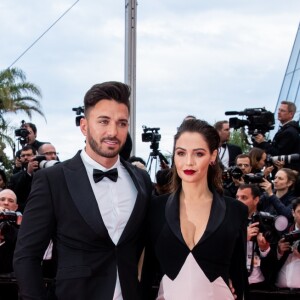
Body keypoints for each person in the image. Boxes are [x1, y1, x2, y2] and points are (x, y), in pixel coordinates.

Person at [13, 81, 153, 300]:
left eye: (122, 123)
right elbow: (26, 256)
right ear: (84, 126)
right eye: (103, 121)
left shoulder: (142, 181)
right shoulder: (53, 180)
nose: (113, 132)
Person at [142, 119, 248, 300]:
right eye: (181, 153)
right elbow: (146, 273)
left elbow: (239, 274)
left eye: (199, 154)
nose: (188, 162)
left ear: (213, 156)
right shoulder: (154, 208)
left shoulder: (236, 210)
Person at [236, 184, 274, 294]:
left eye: (244, 198)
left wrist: (264, 249)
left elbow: (275, 260)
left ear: (256, 199)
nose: (238, 201)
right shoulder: (228, 221)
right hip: (235, 281)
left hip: (260, 285)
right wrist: (243, 238)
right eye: (237, 197)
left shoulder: (267, 221)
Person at [254, 101, 300, 171]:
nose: (279, 112)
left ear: (291, 114)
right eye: (279, 110)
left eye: (282, 111)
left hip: (286, 173)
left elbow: (279, 155)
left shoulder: (289, 132)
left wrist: (263, 143)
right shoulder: (287, 129)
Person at [0, 189, 20, 299]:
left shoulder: (21, 229)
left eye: (10, 200)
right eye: (2, 199)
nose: (6, 203)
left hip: (10, 284)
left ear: (16, 207)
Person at [8, 145, 37, 213]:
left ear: (35, 155)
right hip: (23, 213)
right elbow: (14, 196)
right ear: (20, 158)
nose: (26, 157)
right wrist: (28, 173)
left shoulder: (43, 172)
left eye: (29, 155)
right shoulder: (14, 177)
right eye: (23, 156)